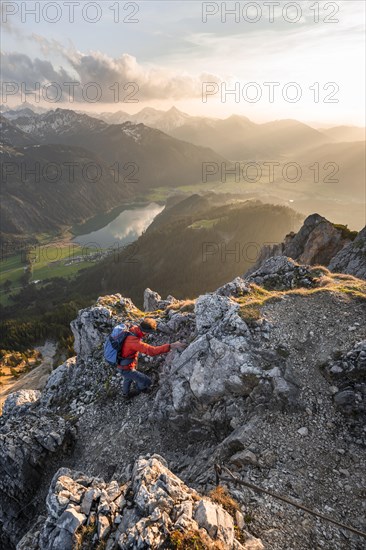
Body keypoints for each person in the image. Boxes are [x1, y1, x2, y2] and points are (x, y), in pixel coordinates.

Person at [117, 317, 185, 397]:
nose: (148, 335)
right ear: (145, 332)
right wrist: (171, 346)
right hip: (125, 367)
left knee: (127, 377)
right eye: (149, 333)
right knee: (147, 381)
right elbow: (152, 351)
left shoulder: (133, 329)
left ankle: (125, 394)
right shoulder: (134, 342)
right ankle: (140, 389)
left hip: (122, 363)